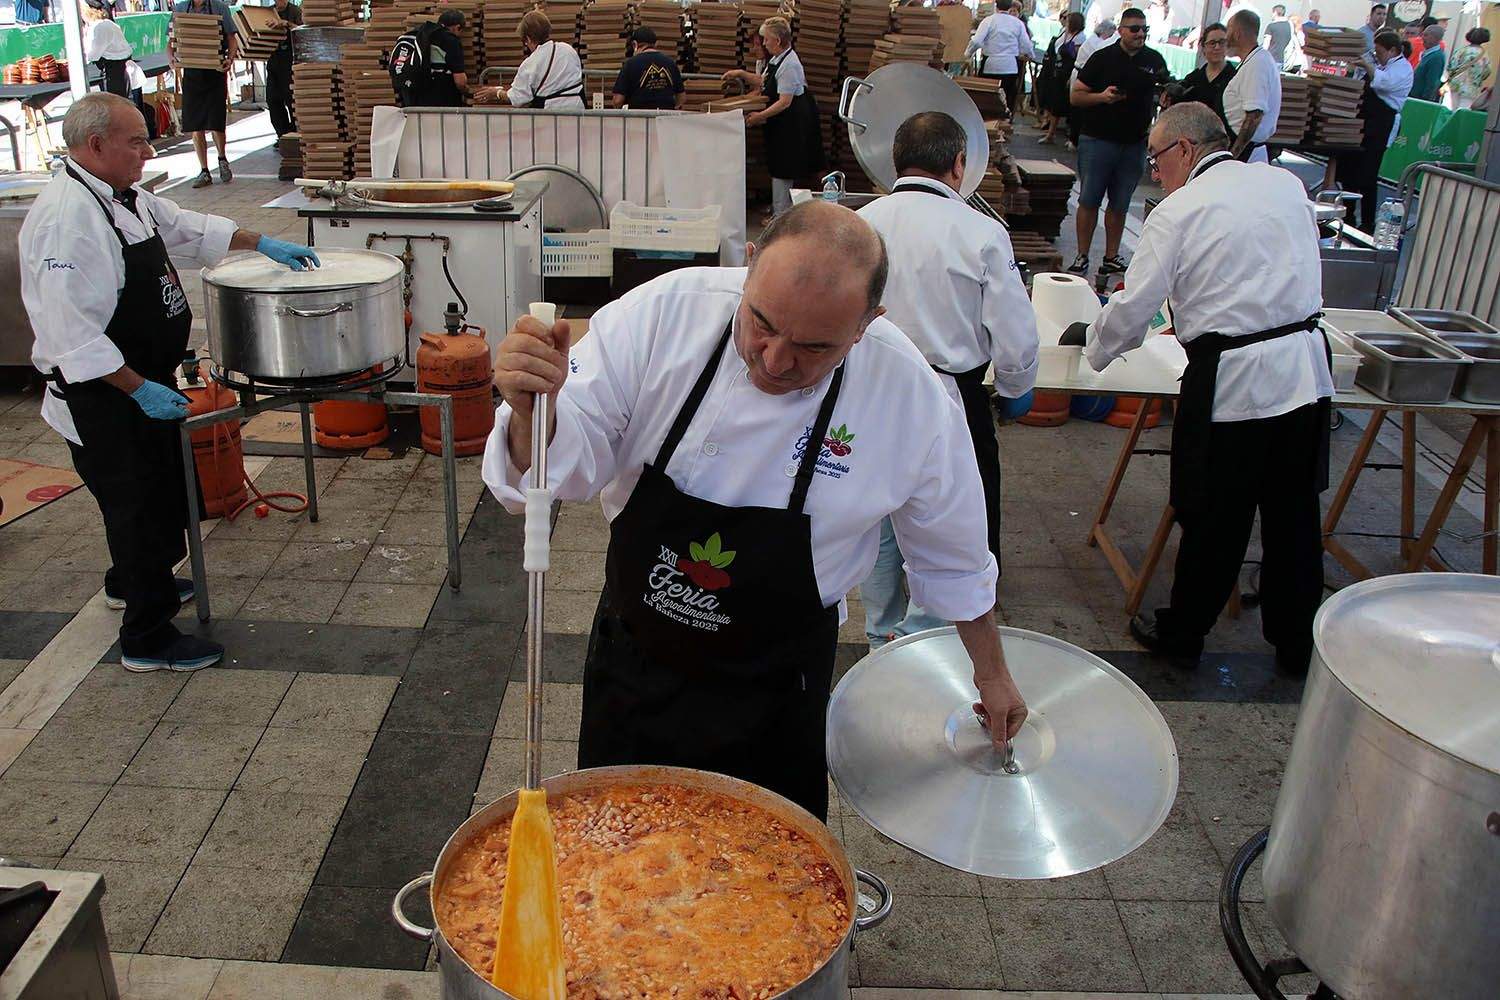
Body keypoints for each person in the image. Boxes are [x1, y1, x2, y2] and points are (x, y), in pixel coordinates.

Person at [482, 200, 1027, 820]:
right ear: (749, 265)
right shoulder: (662, 315)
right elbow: (560, 466)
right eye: (762, 323)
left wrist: (992, 674)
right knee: (612, 854)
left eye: (814, 347)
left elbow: (953, 555)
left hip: (777, 685)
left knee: (773, 865)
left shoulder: (911, 397)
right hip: (637, 659)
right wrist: (531, 412)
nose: (774, 360)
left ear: (865, 325)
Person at [20, 94, 319, 674]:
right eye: (137, 141)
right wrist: (139, 389)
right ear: (95, 145)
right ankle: (147, 637)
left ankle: (130, 580)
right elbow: (71, 335)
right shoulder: (67, 223)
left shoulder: (121, 195)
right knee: (134, 507)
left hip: (141, 380)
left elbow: (184, 226)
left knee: (151, 498)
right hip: (105, 395)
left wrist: (263, 244)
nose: (149, 151)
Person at [1086, 103, 1332, 675]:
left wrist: (1094, 349)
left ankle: (1184, 634)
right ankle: (1297, 645)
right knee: (1295, 516)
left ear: (1186, 149)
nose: (1154, 173)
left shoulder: (1179, 212)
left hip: (1235, 380)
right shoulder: (1284, 184)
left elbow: (1135, 307)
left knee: (1213, 516)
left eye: (1156, 159)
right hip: (1305, 371)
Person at [855, 112, 1038, 646]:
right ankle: (929, 639)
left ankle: (881, 634)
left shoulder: (859, 225)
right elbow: (1015, 333)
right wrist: (1015, 387)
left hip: (867, 394)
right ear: (958, 164)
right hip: (949, 398)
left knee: (877, 515)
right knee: (949, 518)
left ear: (895, 163)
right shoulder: (981, 232)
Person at [1069, 6, 1168, 276]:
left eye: (1144, 29)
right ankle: (1082, 255)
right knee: (1089, 199)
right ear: (1121, 30)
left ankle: (1111, 256)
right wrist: (1102, 97)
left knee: (1121, 202)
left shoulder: (1154, 60)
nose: (1140, 34)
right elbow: (1076, 96)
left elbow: (1163, 89)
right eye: (1134, 29)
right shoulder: (1102, 58)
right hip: (1098, 140)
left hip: (1134, 144)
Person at [743, 17, 824, 218]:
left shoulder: (790, 65)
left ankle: (781, 215)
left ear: (778, 40)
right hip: (779, 123)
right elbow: (764, 82)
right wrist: (741, 76)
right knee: (778, 166)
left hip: (790, 124)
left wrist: (759, 116)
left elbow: (784, 102)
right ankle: (780, 211)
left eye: (766, 39)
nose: (764, 43)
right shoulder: (776, 60)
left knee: (784, 168)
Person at [1335, 30, 1411, 233]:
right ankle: (1348, 215)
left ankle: (1367, 222)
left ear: (1392, 50)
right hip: (1362, 122)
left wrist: (1369, 66)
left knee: (1367, 175)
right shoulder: (1381, 65)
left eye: (1380, 52)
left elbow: (1385, 83)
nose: (1377, 56)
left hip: (1380, 124)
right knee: (1349, 170)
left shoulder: (1403, 68)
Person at [170, 0, 238, 189]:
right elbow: (171, 40)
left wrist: (230, 58)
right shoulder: (180, 9)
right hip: (192, 73)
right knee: (195, 123)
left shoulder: (220, 8)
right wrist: (171, 59)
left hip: (215, 70)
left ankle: (222, 159)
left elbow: (231, 37)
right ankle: (204, 170)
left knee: (216, 120)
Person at [1222, 9, 1280, 162]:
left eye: (1228, 29)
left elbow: (1254, 116)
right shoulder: (1254, 60)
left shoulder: (1258, 64)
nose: (1225, 36)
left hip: (1246, 155)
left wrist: (1234, 155)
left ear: (1237, 34)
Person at [499, 10, 585, 109]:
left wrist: (497, 93)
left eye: (524, 41)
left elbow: (517, 98)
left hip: (552, 112)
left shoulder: (531, 63)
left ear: (528, 38)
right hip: (578, 109)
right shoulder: (568, 49)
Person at [966, 0, 1031, 117]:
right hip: (1010, 66)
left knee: (987, 99)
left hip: (991, 64)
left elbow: (976, 41)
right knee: (1007, 100)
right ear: (1009, 7)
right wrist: (1030, 54)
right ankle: (1005, 123)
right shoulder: (1017, 23)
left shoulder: (989, 21)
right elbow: (1026, 45)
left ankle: (989, 122)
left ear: (996, 6)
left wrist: (967, 54)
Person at [1165, 22, 1235, 125]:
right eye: (1212, 43)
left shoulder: (1235, 78)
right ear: (1203, 48)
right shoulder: (1193, 78)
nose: (1217, 47)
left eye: (1222, 42)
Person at [1039, 12, 1086, 143]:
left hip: (1067, 73)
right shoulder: (1064, 33)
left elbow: (1077, 57)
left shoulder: (1080, 38)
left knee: (1065, 104)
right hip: (1058, 72)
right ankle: (1050, 133)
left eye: (1068, 21)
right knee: (1055, 103)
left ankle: (1069, 135)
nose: (1065, 22)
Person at [612, 26, 684, 109]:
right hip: (665, 115)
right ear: (656, 44)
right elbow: (681, 97)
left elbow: (617, 101)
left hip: (640, 115)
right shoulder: (670, 63)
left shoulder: (630, 64)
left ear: (635, 44)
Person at [265, 0, 302, 136]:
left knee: (291, 99)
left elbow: (303, 31)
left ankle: (295, 133)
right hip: (273, 60)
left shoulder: (295, 11)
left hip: (290, 61)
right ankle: (283, 135)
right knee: (272, 99)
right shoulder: (268, 12)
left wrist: (286, 23)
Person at [1446, 27, 1493, 110]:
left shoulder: (1461, 51)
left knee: (1450, 109)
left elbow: (1451, 67)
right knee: (1464, 112)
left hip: (1455, 85)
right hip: (1471, 88)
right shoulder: (1484, 56)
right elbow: (1487, 72)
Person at [1410, 23, 1446, 101]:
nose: (1422, 38)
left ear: (1435, 38)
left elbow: (1432, 82)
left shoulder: (1436, 57)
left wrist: (1425, 101)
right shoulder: (1428, 54)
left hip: (1419, 100)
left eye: (1426, 35)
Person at [1263, 4, 1293, 69]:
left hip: (1270, 59)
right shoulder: (1289, 26)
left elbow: (1266, 45)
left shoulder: (1271, 26)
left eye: (1272, 13)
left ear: (1275, 13)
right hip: (1282, 60)